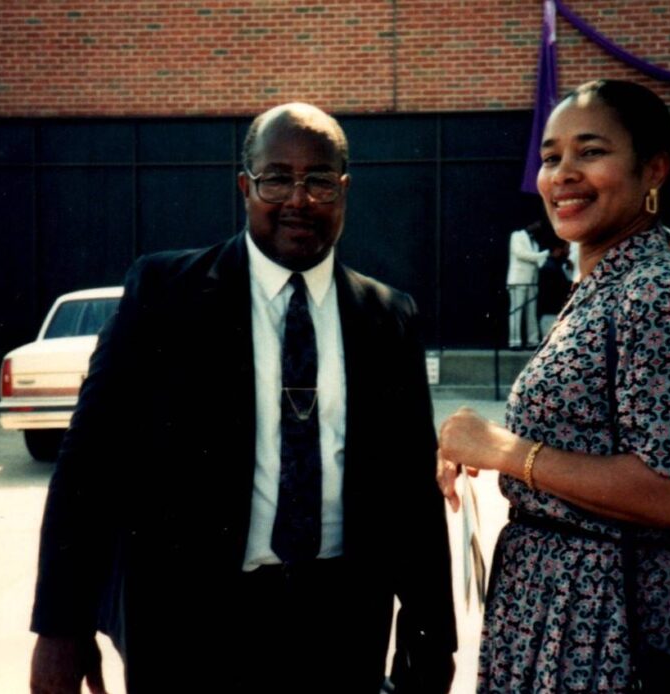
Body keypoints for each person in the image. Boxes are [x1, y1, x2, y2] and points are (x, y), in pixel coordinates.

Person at [29, 102, 457, 694]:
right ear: (244, 187)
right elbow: (87, 468)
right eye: (276, 178)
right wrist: (62, 630)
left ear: (345, 189)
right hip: (188, 630)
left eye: (320, 180)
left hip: (339, 626)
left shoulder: (387, 316)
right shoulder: (164, 295)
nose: (299, 200)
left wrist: (433, 637)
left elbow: (411, 492)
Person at [436, 80, 670, 692]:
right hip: (562, 609)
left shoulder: (658, 292)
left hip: (615, 623)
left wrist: (506, 452)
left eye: (591, 152)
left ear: (654, 169)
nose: (563, 175)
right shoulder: (605, 286)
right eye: (551, 158)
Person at [506, 221, 549, 349]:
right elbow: (520, 254)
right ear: (529, 224)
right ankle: (514, 341)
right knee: (516, 312)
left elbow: (538, 262)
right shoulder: (517, 235)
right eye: (536, 223)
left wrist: (546, 258)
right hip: (518, 280)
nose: (538, 226)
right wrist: (542, 255)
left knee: (531, 312)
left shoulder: (535, 243)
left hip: (532, 281)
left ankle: (532, 340)